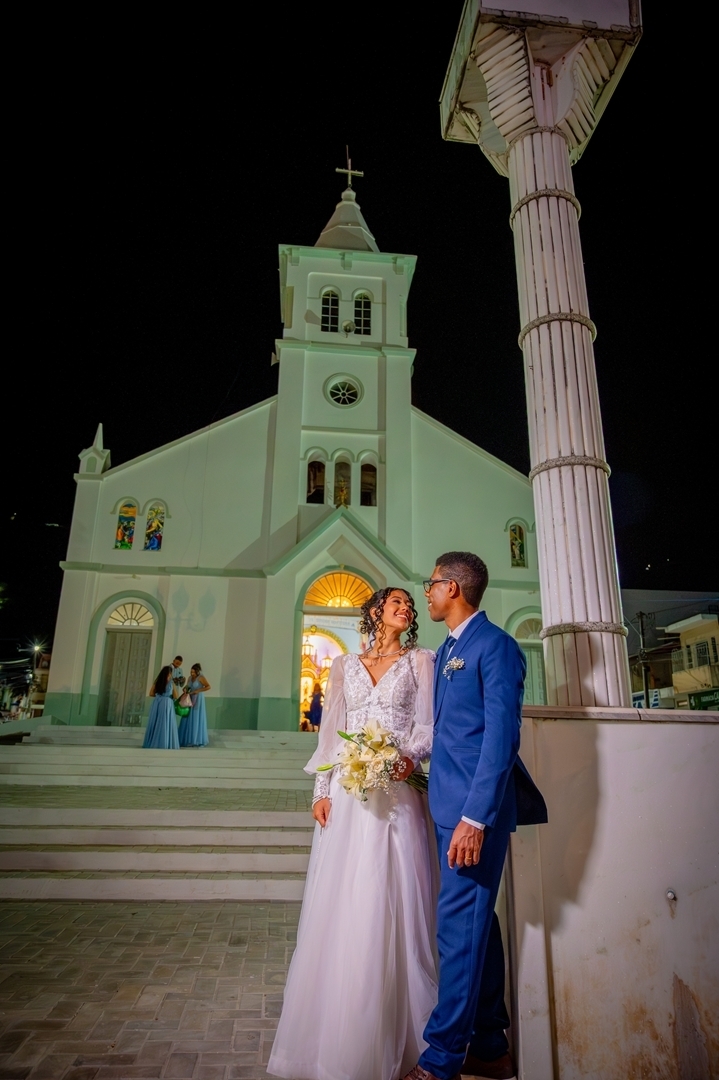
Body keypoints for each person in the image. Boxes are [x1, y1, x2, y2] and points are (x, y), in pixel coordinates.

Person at [267, 588, 438, 1080]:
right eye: (397, 603)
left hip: (400, 793)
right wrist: (320, 789)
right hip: (347, 793)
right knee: (343, 902)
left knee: (396, 896)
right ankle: (335, 1036)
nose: (406, 610)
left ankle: (403, 1036)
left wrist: (405, 758)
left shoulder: (421, 661)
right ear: (374, 612)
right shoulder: (343, 665)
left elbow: (427, 728)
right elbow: (330, 731)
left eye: (410, 605)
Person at [402, 553, 547, 1080]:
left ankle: (440, 1059)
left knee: (457, 932)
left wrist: (476, 819)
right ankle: (489, 1046)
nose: (427, 593)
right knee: (476, 925)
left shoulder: (497, 647)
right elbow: (446, 729)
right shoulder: (447, 650)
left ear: (454, 588)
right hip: (446, 807)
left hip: (472, 816)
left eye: (432, 584)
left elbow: (501, 739)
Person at [142, 665, 180, 750]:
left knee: (156, 723)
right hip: (167, 703)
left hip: (157, 703)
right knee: (165, 723)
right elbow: (176, 695)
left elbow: (151, 693)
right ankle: (165, 742)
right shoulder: (171, 682)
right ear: (169, 673)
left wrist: (159, 695)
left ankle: (154, 741)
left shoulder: (158, 682)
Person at [178, 663, 210, 747]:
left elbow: (208, 686)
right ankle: (186, 738)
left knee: (196, 716)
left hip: (198, 698)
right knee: (187, 716)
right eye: (191, 672)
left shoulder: (201, 678)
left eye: (193, 672)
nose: (192, 673)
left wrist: (198, 690)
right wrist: (185, 689)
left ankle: (195, 739)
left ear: (197, 672)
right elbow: (188, 686)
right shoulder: (189, 678)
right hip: (190, 698)